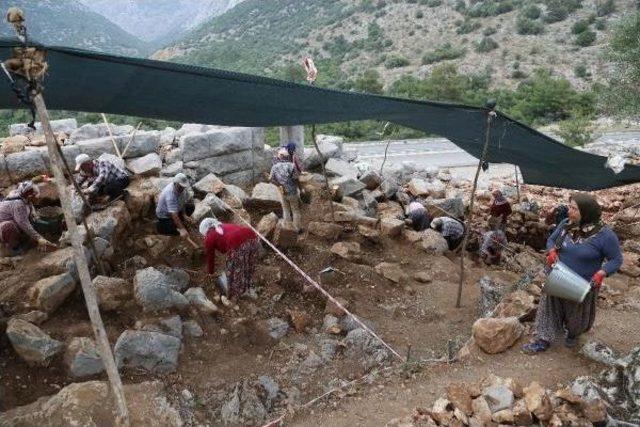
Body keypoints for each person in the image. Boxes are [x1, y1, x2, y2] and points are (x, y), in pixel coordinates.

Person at [523, 193, 623, 354]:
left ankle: (573, 333)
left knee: (576, 315)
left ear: (587, 212)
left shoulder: (605, 235)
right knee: (549, 307)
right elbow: (551, 240)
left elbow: (616, 260)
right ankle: (543, 339)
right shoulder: (566, 224)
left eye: (574, 209)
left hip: (583, 282)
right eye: (569, 207)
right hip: (558, 276)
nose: (569, 211)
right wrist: (551, 252)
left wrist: (601, 273)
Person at [200, 217, 260, 299]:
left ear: (205, 230)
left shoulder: (209, 237)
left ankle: (238, 292)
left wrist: (210, 272)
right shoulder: (223, 225)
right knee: (247, 263)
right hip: (252, 237)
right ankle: (249, 285)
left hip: (238, 245)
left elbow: (210, 257)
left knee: (234, 270)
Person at [0, 180, 56, 255]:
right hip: (3, 226)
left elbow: (32, 214)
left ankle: (22, 239)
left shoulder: (24, 197)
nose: (38, 198)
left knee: (29, 222)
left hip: (12, 219)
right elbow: (24, 224)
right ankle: (14, 248)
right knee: (9, 227)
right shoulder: (18, 204)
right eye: (36, 196)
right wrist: (39, 238)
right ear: (30, 196)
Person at [270, 148, 302, 232]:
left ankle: (288, 229)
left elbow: (271, 179)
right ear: (287, 157)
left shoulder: (274, 167)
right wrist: (300, 188)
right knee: (295, 210)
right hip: (292, 191)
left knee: (285, 209)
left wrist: (279, 185)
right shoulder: (291, 165)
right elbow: (296, 178)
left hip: (282, 191)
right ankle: (297, 229)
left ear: (280, 157)